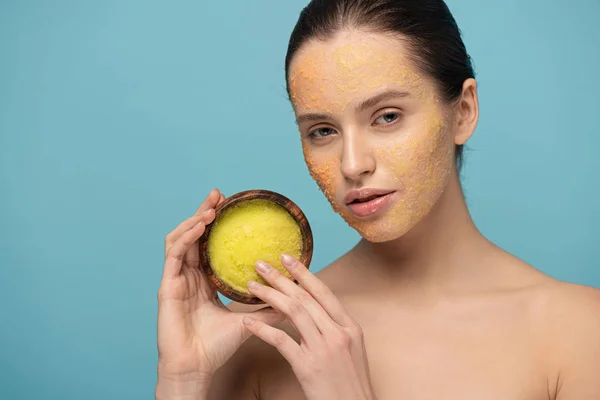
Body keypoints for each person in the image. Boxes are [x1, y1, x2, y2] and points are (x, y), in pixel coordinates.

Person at [155, 0, 600, 399]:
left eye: (387, 116)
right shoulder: (256, 337)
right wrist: (182, 380)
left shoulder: (579, 333)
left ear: (463, 111)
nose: (352, 164)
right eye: (322, 131)